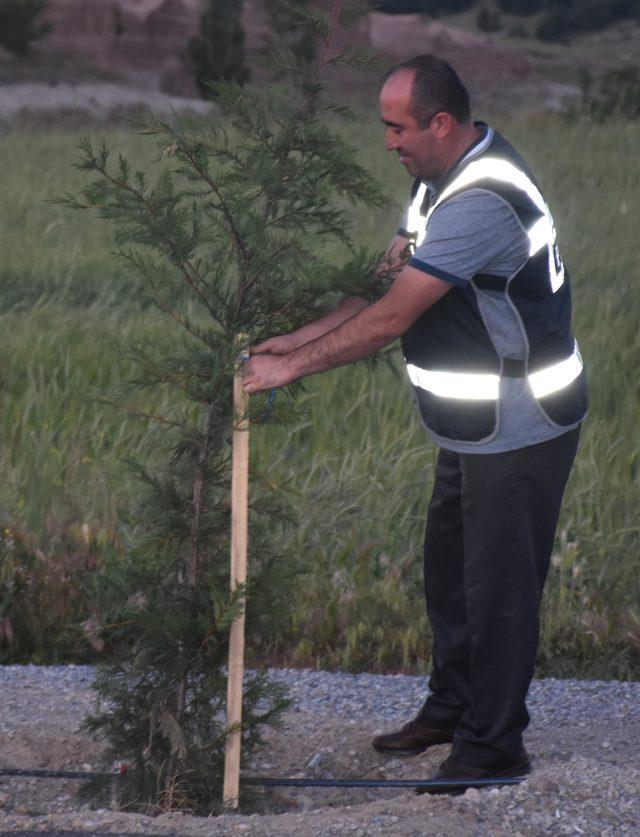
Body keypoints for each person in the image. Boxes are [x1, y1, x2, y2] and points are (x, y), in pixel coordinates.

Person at [243, 54, 587, 789]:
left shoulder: (483, 202)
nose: (388, 142)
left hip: (521, 425)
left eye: (397, 128)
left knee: (498, 592)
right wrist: (296, 338)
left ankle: (493, 748)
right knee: (452, 575)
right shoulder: (437, 183)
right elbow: (383, 280)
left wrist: (290, 370)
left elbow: (392, 318)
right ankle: (452, 707)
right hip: (471, 423)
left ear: (439, 123)